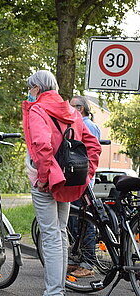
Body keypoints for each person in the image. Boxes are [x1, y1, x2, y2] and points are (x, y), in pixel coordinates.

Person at [23, 70, 101, 296]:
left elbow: (41, 145)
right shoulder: (72, 111)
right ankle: (58, 289)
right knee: (60, 232)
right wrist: (86, 174)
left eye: (30, 88)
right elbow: (93, 146)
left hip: (47, 181)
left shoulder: (38, 108)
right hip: (70, 178)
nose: (29, 93)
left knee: (50, 235)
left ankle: (54, 292)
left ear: (37, 88)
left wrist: (45, 179)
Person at [67, 95, 101, 277]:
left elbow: (89, 153)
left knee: (85, 221)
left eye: (71, 106)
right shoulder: (83, 124)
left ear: (80, 108)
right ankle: (78, 259)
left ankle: (88, 263)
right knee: (76, 221)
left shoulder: (86, 125)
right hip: (79, 178)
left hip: (83, 180)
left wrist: (85, 176)